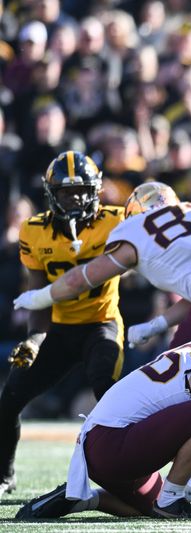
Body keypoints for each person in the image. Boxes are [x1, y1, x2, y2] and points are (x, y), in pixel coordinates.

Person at [15, 316, 191, 520]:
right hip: (113, 443)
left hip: (102, 442)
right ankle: (173, 500)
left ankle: (82, 499)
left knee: (148, 507)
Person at [14, 181, 191, 348]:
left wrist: (38, 297)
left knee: (180, 371)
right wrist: (157, 325)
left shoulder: (134, 228)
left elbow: (80, 280)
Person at [1, 151, 125, 499]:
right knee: (9, 398)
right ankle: (4, 475)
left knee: (108, 391)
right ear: (51, 193)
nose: (76, 199)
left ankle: (131, 472)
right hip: (57, 328)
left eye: (83, 191)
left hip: (101, 323)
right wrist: (34, 341)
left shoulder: (118, 220)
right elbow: (38, 295)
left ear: (97, 191)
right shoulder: (34, 231)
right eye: (67, 192)